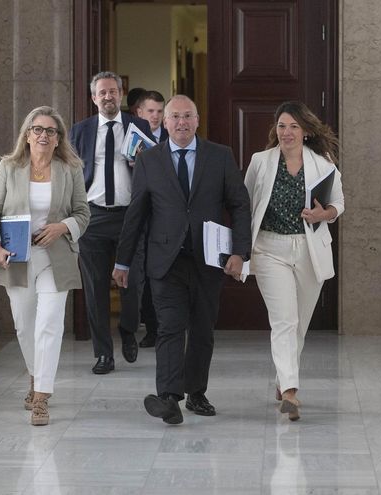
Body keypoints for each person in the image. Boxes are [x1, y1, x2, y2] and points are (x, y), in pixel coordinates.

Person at [113, 95, 251, 424]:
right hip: (166, 262)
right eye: (174, 117)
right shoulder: (149, 161)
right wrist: (123, 262)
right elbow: (136, 214)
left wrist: (240, 252)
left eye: (187, 116)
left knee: (202, 330)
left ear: (197, 120)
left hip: (209, 260)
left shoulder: (220, 157)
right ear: (164, 122)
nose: (181, 123)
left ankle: (196, 393)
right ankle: (170, 398)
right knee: (170, 329)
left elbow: (240, 205)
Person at [0, 106, 90, 426]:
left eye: (50, 131)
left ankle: (42, 396)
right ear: (27, 136)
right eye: (37, 129)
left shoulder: (70, 169)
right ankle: (35, 374)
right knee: (25, 326)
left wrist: (62, 226)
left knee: (49, 324)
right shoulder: (9, 168)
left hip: (57, 258)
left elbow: (83, 213)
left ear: (58, 139)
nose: (43, 135)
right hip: (16, 258)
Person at [243, 101, 344, 421]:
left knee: (298, 324)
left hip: (309, 250)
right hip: (270, 249)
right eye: (282, 126)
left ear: (306, 131)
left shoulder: (323, 165)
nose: (286, 133)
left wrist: (321, 214)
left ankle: (282, 378)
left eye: (293, 127)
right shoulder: (260, 161)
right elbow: (245, 204)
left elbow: (338, 205)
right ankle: (290, 391)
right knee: (284, 320)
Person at [70, 72, 155, 374]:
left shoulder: (140, 126)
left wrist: (142, 163)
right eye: (102, 92)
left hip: (131, 217)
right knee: (95, 289)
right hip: (92, 218)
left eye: (113, 92)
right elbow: (70, 174)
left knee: (133, 283)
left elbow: (156, 169)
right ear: (94, 98)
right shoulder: (79, 131)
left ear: (121, 94)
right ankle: (103, 353)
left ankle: (129, 330)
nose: (108, 97)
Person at [133, 90, 168, 348]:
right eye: (151, 111)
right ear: (140, 113)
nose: (155, 116)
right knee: (143, 272)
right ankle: (150, 328)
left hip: (166, 215)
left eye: (159, 111)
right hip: (139, 213)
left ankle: (167, 326)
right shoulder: (130, 138)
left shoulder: (174, 137)